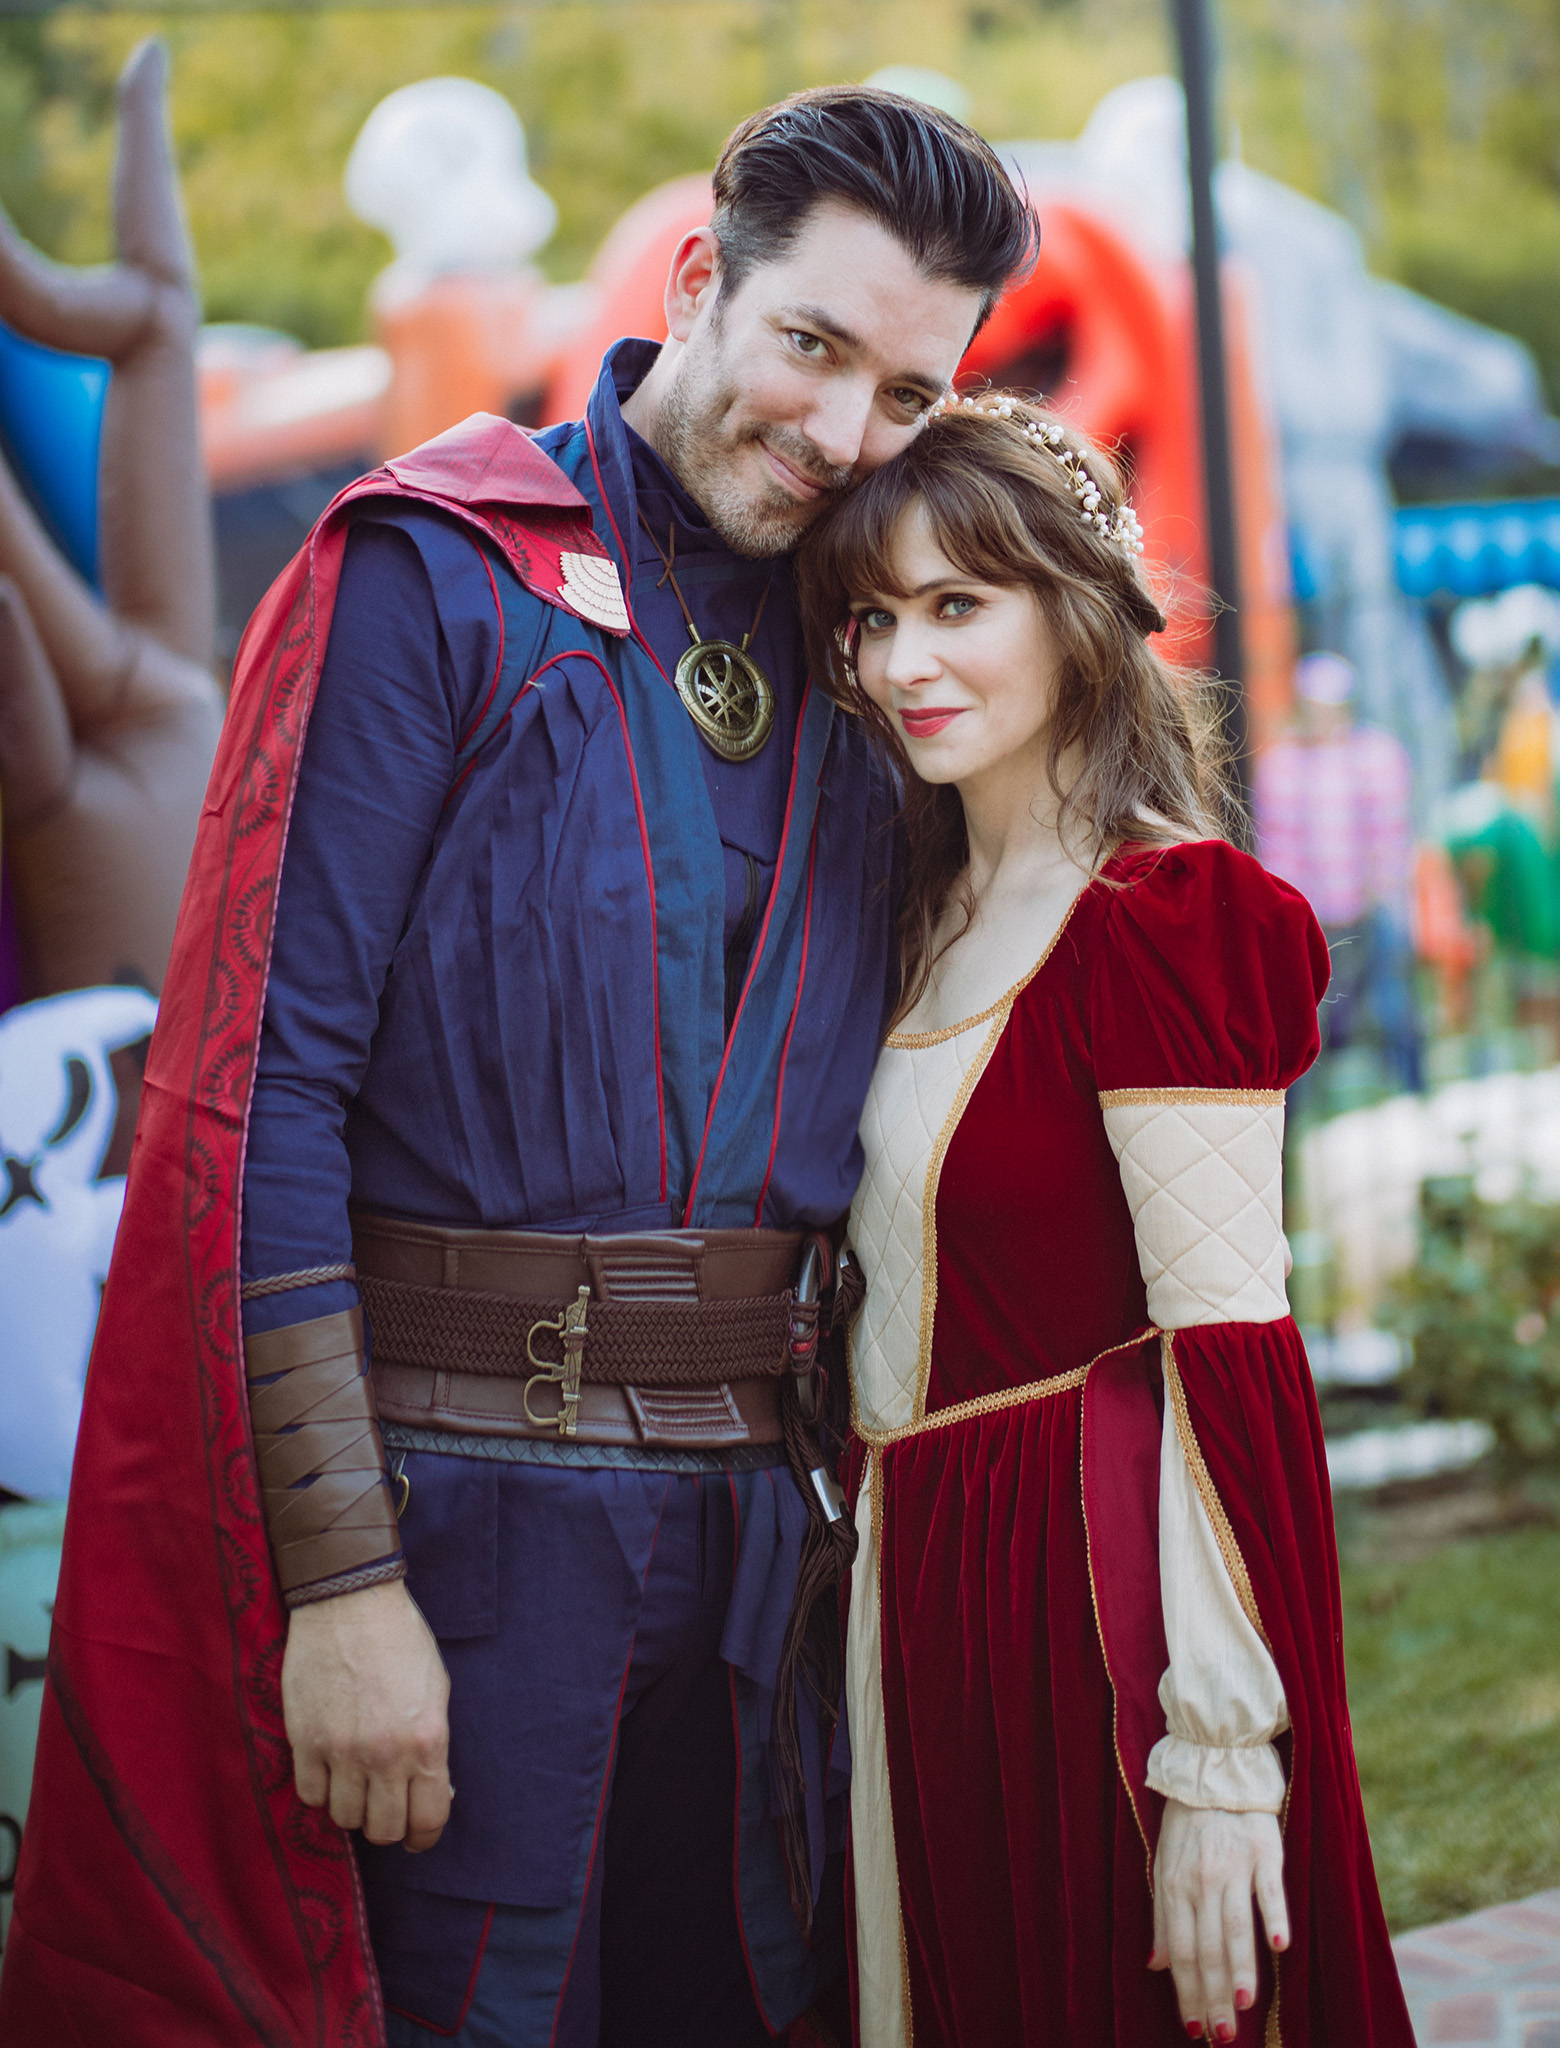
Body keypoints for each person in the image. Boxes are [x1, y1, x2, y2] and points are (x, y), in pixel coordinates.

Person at [0, 91, 1034, 2047]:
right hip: (464, 1531)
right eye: (812, 347)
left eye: (906, 395)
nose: (838, 432)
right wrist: (340, 1589)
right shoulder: (439, 576)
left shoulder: (887, 648)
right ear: (698, 278)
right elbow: (263, 1094)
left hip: (767, 1543)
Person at [797, 393, 1415, 2047]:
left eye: (956, 605)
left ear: (1074, 608)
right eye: (871, 617)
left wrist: (1222, 1758)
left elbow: (1231, 1353)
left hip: (1094, 1600)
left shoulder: (1164, 917)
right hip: (925, 1590)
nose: (902, 660)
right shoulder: (909, 910)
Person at [1253, 651, 1421, 1095]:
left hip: (1372, 910)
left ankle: (1414, 1100)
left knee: (1394, 1012)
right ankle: (1303, 1122)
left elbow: (1390, 837)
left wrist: (1379, 890)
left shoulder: (1377, 755)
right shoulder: (1282, 765)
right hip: (1314, 922)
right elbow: (1279, 851)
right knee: (1307, 1023)